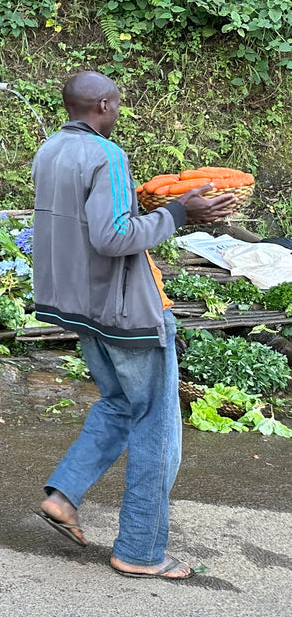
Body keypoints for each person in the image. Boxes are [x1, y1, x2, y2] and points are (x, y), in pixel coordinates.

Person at [31, 71, 235, 580]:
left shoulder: (50, 149)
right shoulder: (107, 155)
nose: (119, 111)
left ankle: (63, 496)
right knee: (157, 426)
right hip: (125, 314)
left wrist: (158, 208)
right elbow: (112, 237)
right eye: (117, 103)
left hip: (78, 306)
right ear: (103, 104)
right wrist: (180, 213)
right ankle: (141, 550)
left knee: (121, 404)